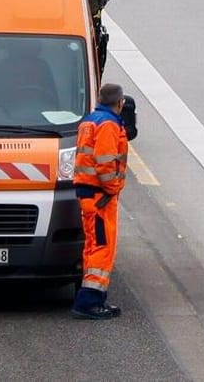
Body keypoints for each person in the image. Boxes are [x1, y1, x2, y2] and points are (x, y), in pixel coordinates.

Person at [72, 83, 130, 320]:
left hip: (89, 194)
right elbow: (105, 161)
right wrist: (113, 187)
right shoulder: (108, 124)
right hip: (100, 196)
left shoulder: (90, 120)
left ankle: (92, 297)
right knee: (102, 248)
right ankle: (89, 302)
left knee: (93, 245)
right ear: (120, 102)